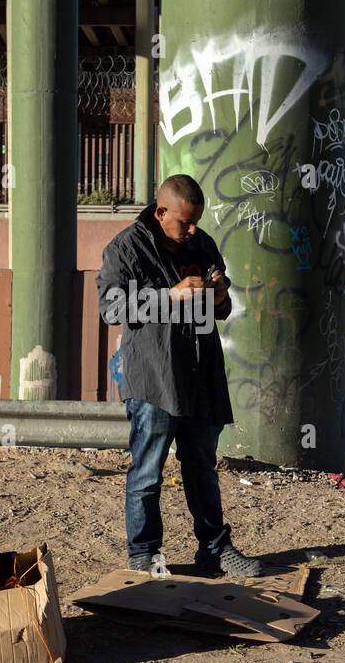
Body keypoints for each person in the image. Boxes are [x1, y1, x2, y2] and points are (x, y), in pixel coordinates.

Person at [96, 174, 262, 577]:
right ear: (160, 211)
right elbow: (111, 308)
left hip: (201, 377)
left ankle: (215, 549)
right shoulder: (126, 248)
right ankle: (144, 555)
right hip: (154, 379)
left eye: (196, 222)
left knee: (202, 465)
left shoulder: (202, 245)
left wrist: (220, 294)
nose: (192, 230)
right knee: (147, 471)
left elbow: (221, 309)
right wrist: (169, 295)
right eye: (184, 222)